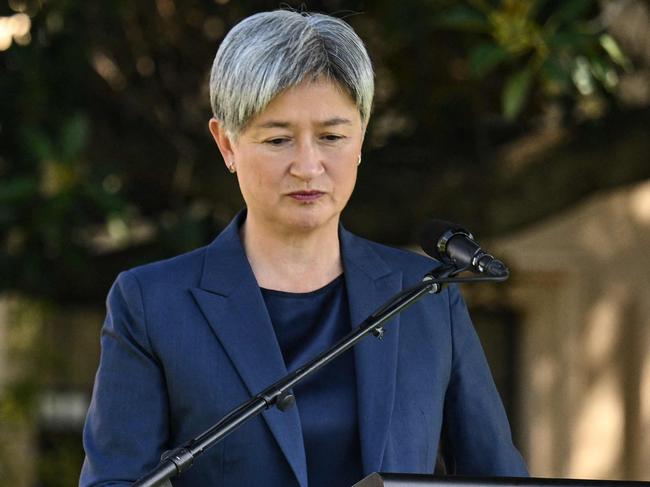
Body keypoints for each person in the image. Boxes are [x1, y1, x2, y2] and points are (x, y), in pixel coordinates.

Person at [80, 9, 528, 487]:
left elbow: (496, 478)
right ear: (226, 144)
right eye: (278, 139)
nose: (308, 166)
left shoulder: (426, 297)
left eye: (332, 137)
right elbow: (114, 480)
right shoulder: (152, 303)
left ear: (361, 138)